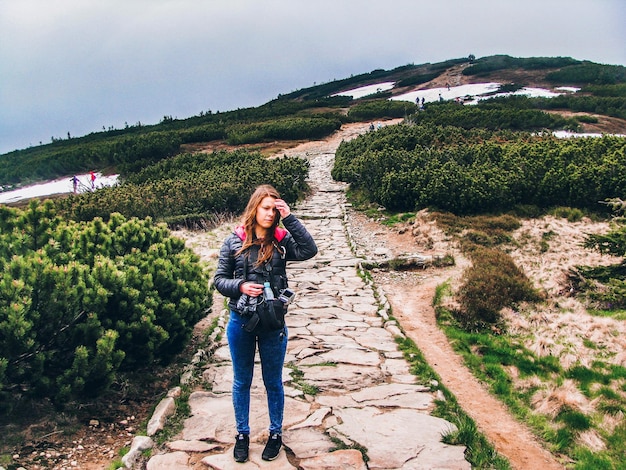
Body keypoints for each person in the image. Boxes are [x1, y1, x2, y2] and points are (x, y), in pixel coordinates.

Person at [213, 184, 318, 463]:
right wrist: (241, 286)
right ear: (254, 208)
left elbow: (309, 250)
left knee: (273, 382)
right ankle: (242, 436)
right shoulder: (233, 241)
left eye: (275, 209)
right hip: (241, 321)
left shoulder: (282, 240)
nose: (270, 214)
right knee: (241, 382)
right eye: (266, 208)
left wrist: (290, 217)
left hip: (273, 323)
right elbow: (219, 280)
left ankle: (275, 435)